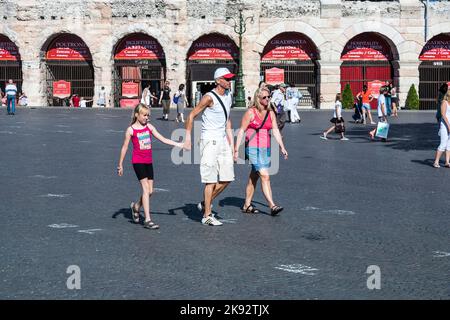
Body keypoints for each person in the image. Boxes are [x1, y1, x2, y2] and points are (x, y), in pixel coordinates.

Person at [183, 67, 235, 226]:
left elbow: (227, 119)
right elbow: (192, 114)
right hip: (209, 140)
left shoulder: (229, 96)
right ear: (218, 80)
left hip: (223, 141)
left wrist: (232, 143)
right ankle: (207, 215)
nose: (229, 81)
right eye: (226, 79)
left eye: (230, 78)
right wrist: (187, 137)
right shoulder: (208, 97)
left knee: (227, 178)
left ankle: (205, 203)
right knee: (210, 180)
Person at [117, 103, 183, 229]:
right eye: (145, 115)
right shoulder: (131, 130)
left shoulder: (149, 127)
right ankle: (147, 219)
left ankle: (136, 207)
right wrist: (120, 164)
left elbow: (163, 139)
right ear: (137, 115)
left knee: (150, 191)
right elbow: (125, 147)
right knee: (146, 189)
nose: (147, 117)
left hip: (148, 162)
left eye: (148, 115)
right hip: (138, 162)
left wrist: (179, 144)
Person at [234, 87, 288, 216]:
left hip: (266, 148)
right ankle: (272, 205)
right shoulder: (250, 113)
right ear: (258, 99)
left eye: (268, 97)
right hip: (252, 148)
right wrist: (236, 149)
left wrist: (282, 147)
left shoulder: (270, 113)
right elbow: (241, 130)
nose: (267, 99)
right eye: (264, 97)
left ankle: (247, 205)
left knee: (254, 176)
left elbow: (275, 130)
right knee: (265, 175)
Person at [433, 89, 450, 168]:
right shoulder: (444, 102)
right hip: (445, 125)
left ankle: (447, 162)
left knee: (449, 145)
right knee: (443, 144)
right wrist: (448, 126)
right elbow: (443, 115)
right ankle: (436, 161)